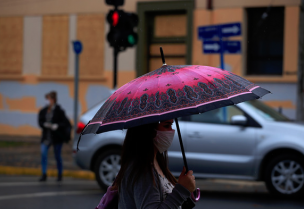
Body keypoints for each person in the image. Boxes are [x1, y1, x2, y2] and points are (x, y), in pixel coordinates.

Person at [114, 119, 196, 209]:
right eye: (166, 125)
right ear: (148, 130)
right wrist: (182, 190)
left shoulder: (156, 161)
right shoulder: (143, 170)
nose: (171, 131)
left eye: (171, 125)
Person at [38, 91, 70, 182]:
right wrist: (44, 124)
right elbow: (40, 121)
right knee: (43, 154)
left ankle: (60, 174)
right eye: (46, 99)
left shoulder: (59, 111)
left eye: (48, 99)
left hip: (56, 137)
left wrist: (57, 126)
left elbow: (64, 123)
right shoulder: (43, 111)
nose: (47, 101)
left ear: (53, 100)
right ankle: (44, 174)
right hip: (46, 137)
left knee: (57, 156)